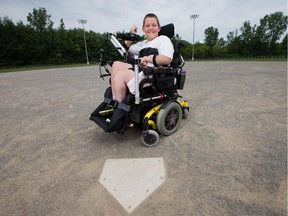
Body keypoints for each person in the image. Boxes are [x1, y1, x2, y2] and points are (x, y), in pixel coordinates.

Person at [111, 13, 174, 103]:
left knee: (119, 76)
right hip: (141, 70)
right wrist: (131, 36)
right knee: (116, 64)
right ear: (143, 29)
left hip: (153, 75)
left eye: (154, 25)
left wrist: (147, 58)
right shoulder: (142, 44)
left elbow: (167, 59)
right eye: (147, 26)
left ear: (159, 28)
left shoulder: (163, 39)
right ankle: (115, 100)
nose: (151, 28)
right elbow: (124, 50)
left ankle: (120, 107)